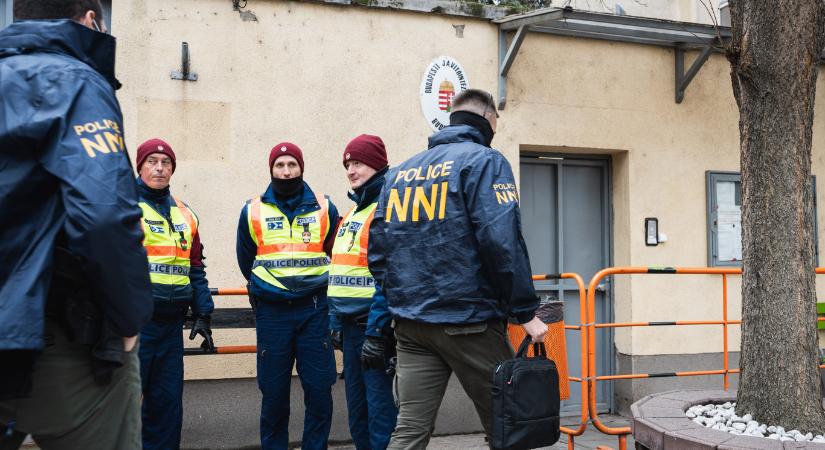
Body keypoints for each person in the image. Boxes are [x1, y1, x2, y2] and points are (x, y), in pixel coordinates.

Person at [0, 1, 153, 448]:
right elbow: (104, 216)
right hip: (58, 337)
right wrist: (128, 321)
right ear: (91, 19)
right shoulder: (74, 80)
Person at [368, 89, 549, 449]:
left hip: (412, 326)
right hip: (470, 323)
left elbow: (378, 252)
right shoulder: (485, 161)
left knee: (409, 430)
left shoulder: (400, 173)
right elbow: (501, 241)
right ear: (489, 120)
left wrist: (402, 301)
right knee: (508, 424)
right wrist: (524, 311)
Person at [236, 142, 340, 450]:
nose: (286, 171)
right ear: (271, 169)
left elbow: (336, 253)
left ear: (301, 168)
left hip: (314, 309)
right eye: (279, 165)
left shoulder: (324, 207)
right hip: (273, 314)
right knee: (274, 394)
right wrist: (267, 289)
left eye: (291, 165)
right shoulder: (253, 209)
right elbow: (246, 260)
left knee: (320, 392)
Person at [134, 138, 215, 450]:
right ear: (139, 166)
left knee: (166, 407)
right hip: (133, 326)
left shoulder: (185, 214)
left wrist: (203, 312)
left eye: (165, 162)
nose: (159, 167)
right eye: (152, 161)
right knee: (122, 407)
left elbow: (195, 267)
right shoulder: (122, 205)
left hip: (170, 328)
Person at [328, 135, 397, 450]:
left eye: (358, 163)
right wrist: (334, 322)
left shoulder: (386, 209)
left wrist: (376, 333)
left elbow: (390, 278)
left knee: (380, 413)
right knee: (358, 414)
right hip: (352, 329)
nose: (351, 171)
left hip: (375, 330)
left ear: (377, 164)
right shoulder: (352, 213)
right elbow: (338, 272)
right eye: (347, 164)